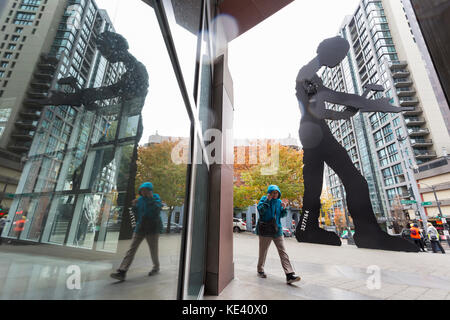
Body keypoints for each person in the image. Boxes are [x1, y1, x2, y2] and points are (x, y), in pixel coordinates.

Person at [294, 36, 418, 252]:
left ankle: (308, 228)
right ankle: (367, 233)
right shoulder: (306, 74)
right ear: (328, 51)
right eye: (340, 55)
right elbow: (331, 99)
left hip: (314, 130)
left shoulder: (313, 77)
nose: (340, 60)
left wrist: (349, 112)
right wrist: (370, 104)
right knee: (354, 180)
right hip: (315, 133)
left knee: (315, 184)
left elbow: (324, 109)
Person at [110, 182, 163, 281]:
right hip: (140, 229)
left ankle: (156, 267)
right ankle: (122, 271)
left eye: (145, 190)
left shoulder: (156, 198)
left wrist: (151, 199)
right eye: (142, 190)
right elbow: (136, 214)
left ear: (150, 190)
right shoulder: (140, 200)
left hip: (152, 229)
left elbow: (156, 211)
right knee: (131, 250)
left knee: (153, 250)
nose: (143, 192)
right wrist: (134, 206)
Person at [256, 185, 301, 284]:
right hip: (265, 230)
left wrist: (284, 209)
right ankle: (260, 269)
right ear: (269, 193)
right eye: (272, 192)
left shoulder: (279, 202)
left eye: (276, 192)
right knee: (263, 251)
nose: (274, 194)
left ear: (278, 193)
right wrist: (267, 200)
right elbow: (261, 211)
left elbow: (282, 215)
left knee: (283, 251)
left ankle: (289, 275)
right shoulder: (264, 199)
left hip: (277, 229)